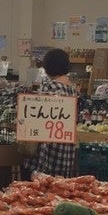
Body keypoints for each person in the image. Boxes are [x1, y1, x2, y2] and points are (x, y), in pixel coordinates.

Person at [23, 48, 79, 178]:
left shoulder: (49, 88)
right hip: (65, 152)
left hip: (46, 153)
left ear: (47, 67)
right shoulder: (72, 90)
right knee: (60, 188)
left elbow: (35, 119)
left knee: (40, 189)